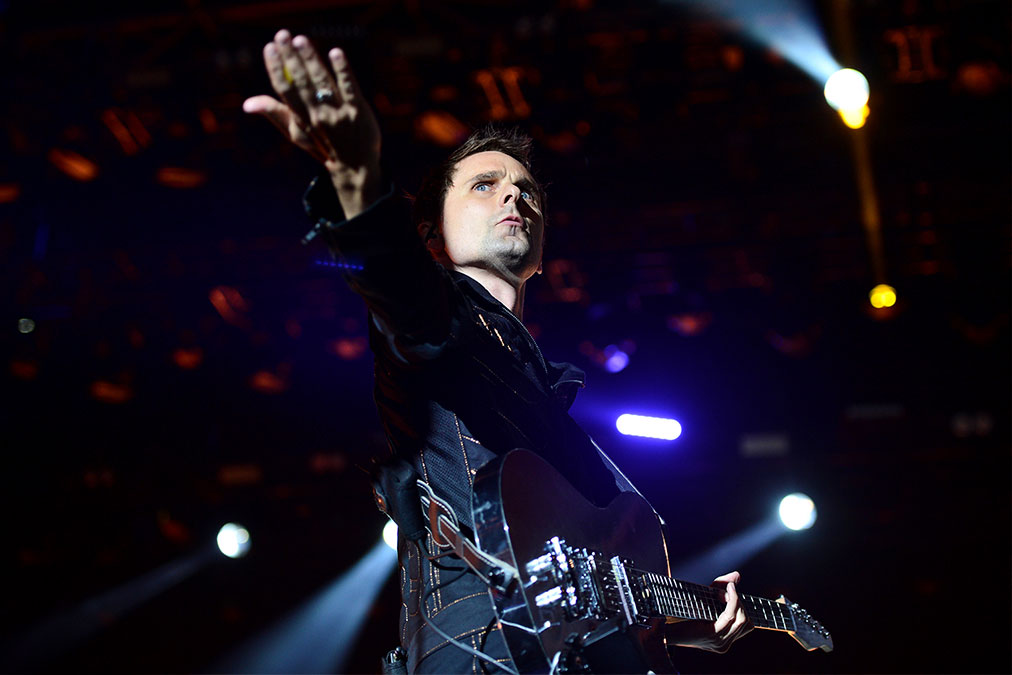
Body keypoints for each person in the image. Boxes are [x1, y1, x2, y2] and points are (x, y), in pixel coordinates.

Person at [244, 29, 753, 674]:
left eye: (527, 190)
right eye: (484, 185)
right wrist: (357, 180)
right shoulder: (438, 325)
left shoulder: (558, 410)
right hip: (487, 657)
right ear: (431, 233)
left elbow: (584, 588)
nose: (515, 195)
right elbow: (397, 280)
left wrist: (685, 621)